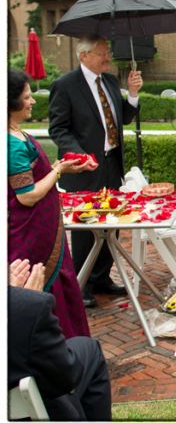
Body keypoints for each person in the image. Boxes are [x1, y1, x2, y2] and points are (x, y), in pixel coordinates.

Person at [48, 34, 143, 308]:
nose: (108, 57)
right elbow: (59, 129)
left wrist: (133, 94)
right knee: (86, 226)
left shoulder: (111, 82)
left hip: (112, 163)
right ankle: (83, 283)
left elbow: (122, 118)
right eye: (102, 53)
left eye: (108, 52)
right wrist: (79, 154)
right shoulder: (65, 86)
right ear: (84, 56)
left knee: (111, 222)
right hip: (83, 168)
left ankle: (102, 278)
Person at [8, 69, 91, 338]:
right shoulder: (10, 144)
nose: (32, 101)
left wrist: (59, 166)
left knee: (60, 282)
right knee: (42, 284)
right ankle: (53, 351)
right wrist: (58, 172)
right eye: (27, 97)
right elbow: (27, 195)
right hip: (30, 236)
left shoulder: (17, 132)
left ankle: (69, 345)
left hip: (44, 230)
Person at [9, 261, 112, 421]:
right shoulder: (29, 307)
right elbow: (67, 378)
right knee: (90, 349)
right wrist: (26, 302)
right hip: (30, 405)